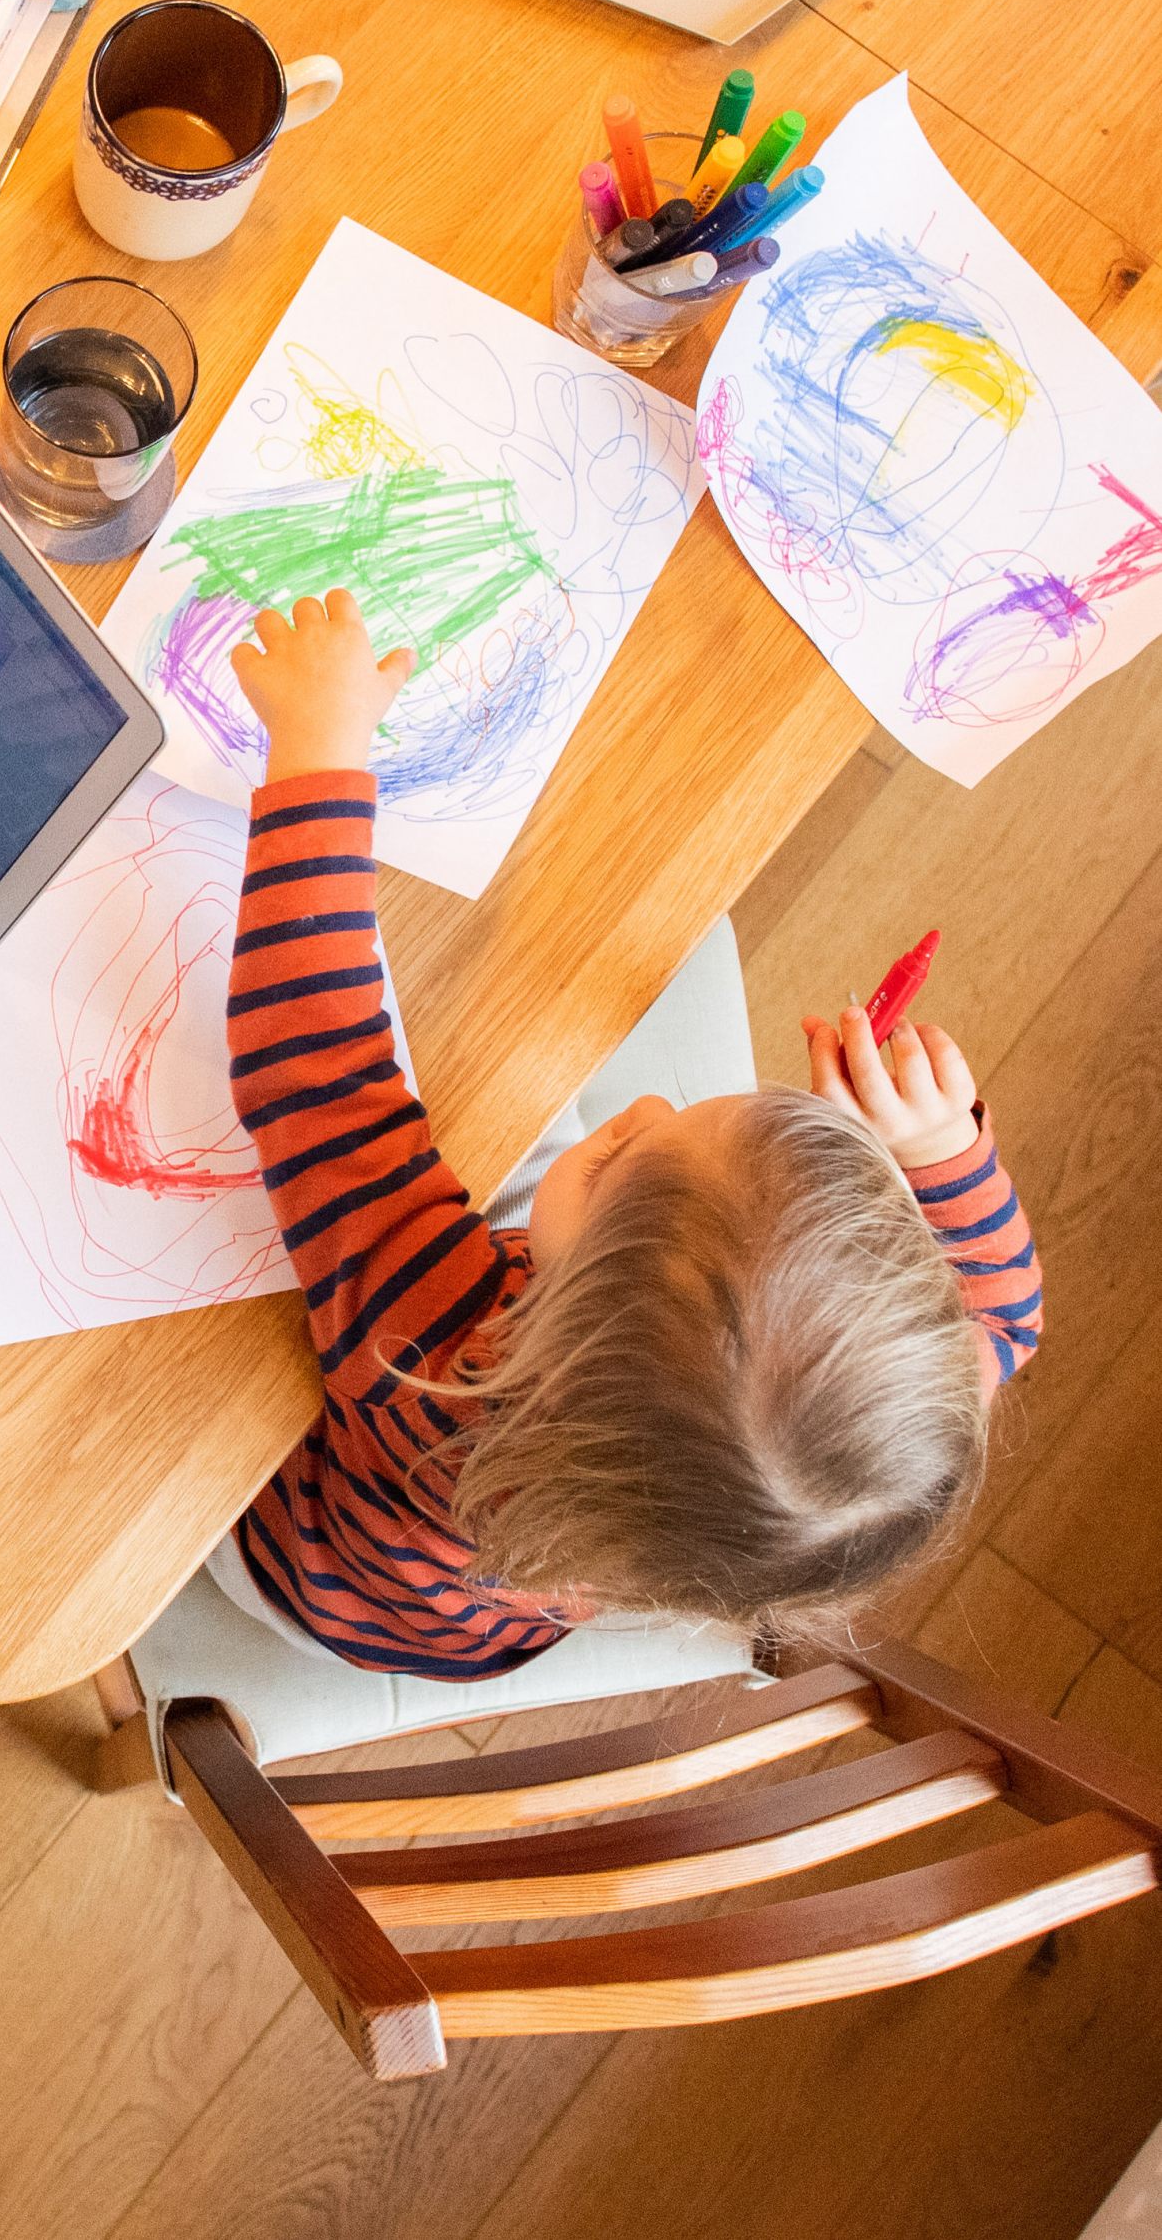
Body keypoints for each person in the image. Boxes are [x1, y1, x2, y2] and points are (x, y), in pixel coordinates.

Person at [209, 588, 1039, 1678]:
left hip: (305, 1564)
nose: (639, 1106)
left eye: (607, 1160)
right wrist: (938, 1149)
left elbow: (314, 1061)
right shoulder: (891, 1431)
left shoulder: (433, 1341)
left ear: (540, 1326)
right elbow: (1003, 1310)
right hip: (501, 1608)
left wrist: (317, 753)